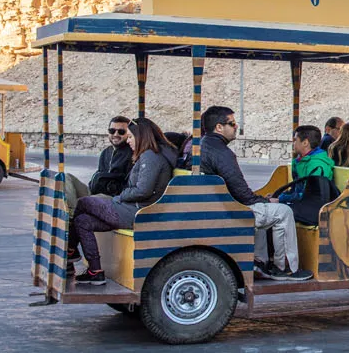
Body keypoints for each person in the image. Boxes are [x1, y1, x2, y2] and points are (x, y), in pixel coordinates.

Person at [199, 105, 312, 282]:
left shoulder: (203, 145)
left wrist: (260, 201)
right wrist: (266, 201)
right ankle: (285, 268)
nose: (236, 127)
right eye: (232, 123)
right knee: (283, 212)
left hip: (212, 206)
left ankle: (259, 263)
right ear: (219, 127)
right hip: (227, 211)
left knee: (262, 210)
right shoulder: (222, 152)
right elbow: (242, 193)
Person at [68, 117, 177, 285]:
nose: (128, 141)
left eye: (131, 137)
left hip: (138, 212)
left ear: (141, 137)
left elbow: (143, 190)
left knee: (84, 202)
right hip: (130, 208)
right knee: (83, 221)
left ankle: (70, 249)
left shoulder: (151, 157)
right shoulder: (146, 156)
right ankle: (95, 271)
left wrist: (120, 197)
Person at [88, 115, 134, 197]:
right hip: (94, 192)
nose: (116, 134)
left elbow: (129, 184)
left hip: (113, 197)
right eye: (112, 131)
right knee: (68, 179)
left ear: (129, 133)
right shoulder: (105, 152)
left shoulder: (132, 153)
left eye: (121, 132)